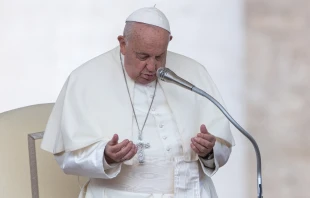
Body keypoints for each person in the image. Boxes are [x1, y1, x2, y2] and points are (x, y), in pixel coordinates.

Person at [41, 7, 235, 198]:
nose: (152, 66)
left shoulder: (194, 73)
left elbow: (223, 147)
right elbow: (66, 157)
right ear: (123, 44)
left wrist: (209, 151)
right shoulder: (85, 78)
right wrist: (106, 156)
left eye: (159, 57)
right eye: (143, 57)